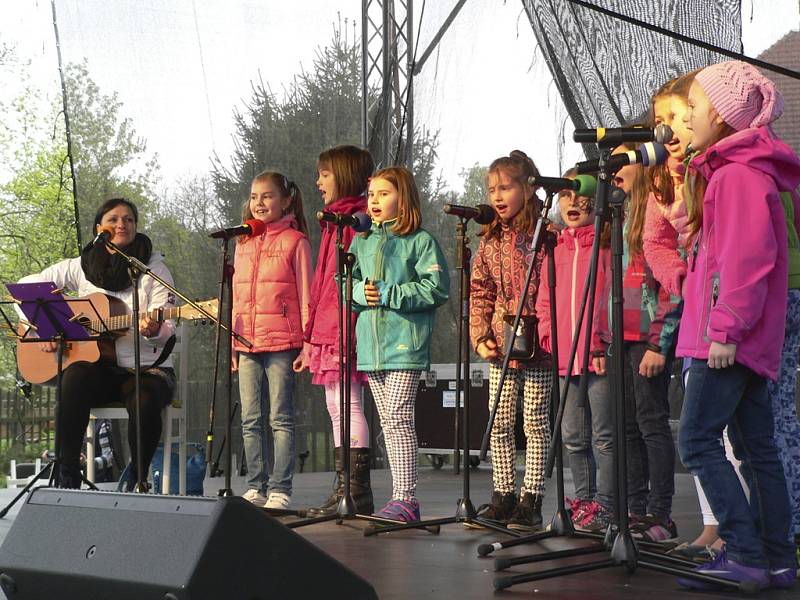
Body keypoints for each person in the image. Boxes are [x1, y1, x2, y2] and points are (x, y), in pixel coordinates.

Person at [676, 60, 799, 591]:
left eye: (696, 108)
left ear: (724, 118)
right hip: (740, 338)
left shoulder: (737, 175)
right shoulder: (732, 172)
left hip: (724, 340)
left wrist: (723, 327)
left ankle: (745, 551)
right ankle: (775, 557)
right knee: (755, 448)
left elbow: (747, 258)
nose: (688, 117)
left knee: (698, 440)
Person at [19, 197, 176, 491]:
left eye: (129, 219)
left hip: (145, 369)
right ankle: (68, 476)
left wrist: (153, 330)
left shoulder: (154, 269)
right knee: (75, 375)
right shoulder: (82, 266)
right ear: (99, 229)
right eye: (114, 219)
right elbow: (27, 287)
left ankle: (137, 481)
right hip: (101, 370)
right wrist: (39, 326)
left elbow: (168, 327)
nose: (122, 224)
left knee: (143, 398)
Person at [350, 166, 449, 522]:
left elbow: (436, 288)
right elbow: (344, 282)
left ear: (402, 199)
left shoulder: (420, 241)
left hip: (405, 344)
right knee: (389, 422)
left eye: (383, 194)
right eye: (371, 194)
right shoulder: (360, 240)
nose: (374, 201)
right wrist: (361, 291)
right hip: (372, 346)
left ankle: (406, 499)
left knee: (397, 417)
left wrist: (389, 293)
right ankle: (400, 498)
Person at [468, 150, 553, 531]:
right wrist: (480, 336)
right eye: (492, 189)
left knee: (535, 421)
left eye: (506, 187)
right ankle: (502, 495)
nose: (497, 196)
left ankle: (530, 499)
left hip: (540, 344)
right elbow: (480, 291)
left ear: (528, 187)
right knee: (499, 421)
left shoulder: (548, 234)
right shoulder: (489, 240)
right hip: (502, 344)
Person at [609, 143, 680, 542]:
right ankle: (634, 509)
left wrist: (659, 342)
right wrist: (602, 339)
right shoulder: (615, 216)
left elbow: (670, 287)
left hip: (647, 339)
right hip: (617, 338)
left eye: (624, 159)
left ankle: (661, 514)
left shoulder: (656, 212)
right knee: (627, 427)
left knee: (652, 422)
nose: (616, 167)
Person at [536, 171, 613, 532]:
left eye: (579, 195)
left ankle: (608, 505)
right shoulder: (557, 248)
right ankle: (584, 498)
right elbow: (543, 300)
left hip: (598, 357)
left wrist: (602, 340)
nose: (572, 203)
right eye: (564, 196)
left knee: (604, 436)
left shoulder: (607, 247)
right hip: (566, 358)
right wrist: (549, 337)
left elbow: (616, 300)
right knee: (572, 435)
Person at [232, 171, 312, 510]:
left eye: (267, 196)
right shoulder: (242, 242)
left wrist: (308, 343)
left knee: (280, 418)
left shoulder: (296, 242)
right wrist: (233, 343)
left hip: (282, 342)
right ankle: (256, 485)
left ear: (286, 200)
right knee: (250, 419)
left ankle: (280, 487)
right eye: (254, 196)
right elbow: (236, 298)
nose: (259, 203)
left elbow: (308, 296)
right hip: (246, 343)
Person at [303, 145, 376, 517]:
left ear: (344, 175)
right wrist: (310, 334)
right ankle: (343, 486)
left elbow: (357, 277)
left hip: (349, 322)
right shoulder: (332, 221)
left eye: (325, 174)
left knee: (349, 403)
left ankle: (357, 490)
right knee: (335, 406)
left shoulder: (359, 221)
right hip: (329, 324)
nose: (318, 182)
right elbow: (321, 283)